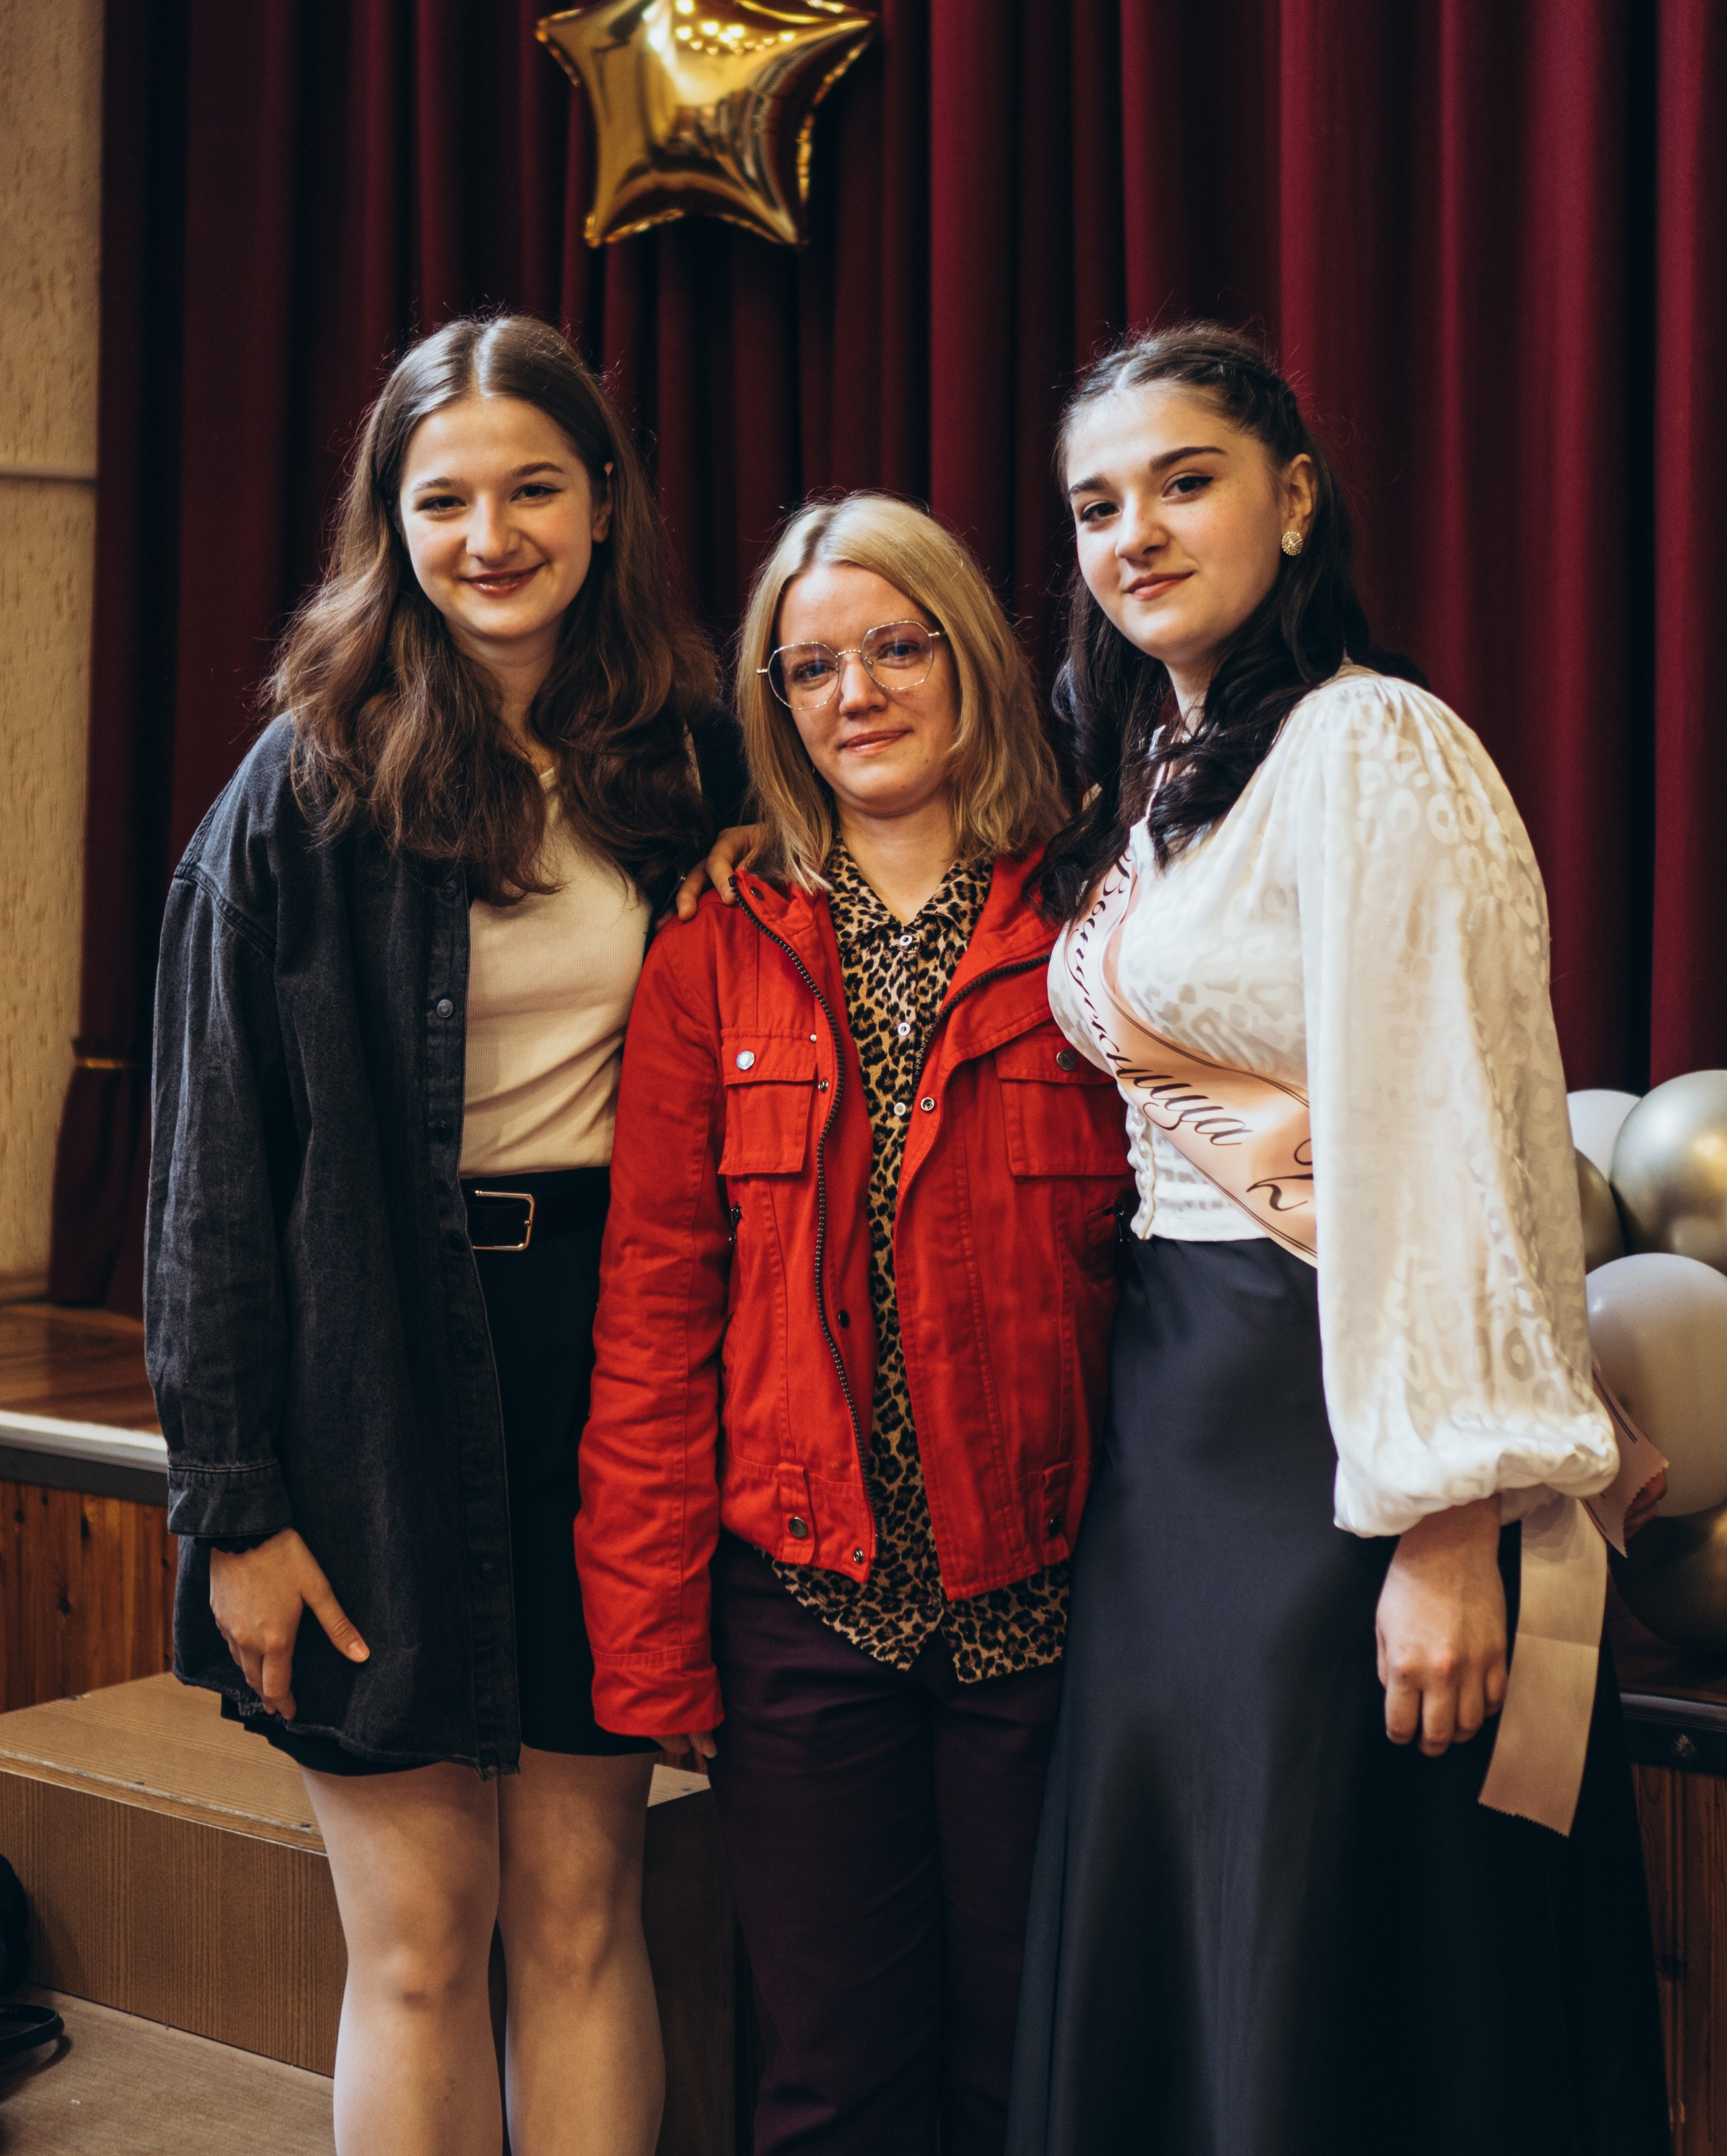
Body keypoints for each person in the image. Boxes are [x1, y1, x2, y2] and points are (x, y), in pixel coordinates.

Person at [1005, 324, 1671, 2156]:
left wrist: (1447, 1526)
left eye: (1185, 480)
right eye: (1094, 504)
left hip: (1335, 1428)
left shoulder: (1373, 741)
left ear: (1295, 501)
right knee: (1211, 1908)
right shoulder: (1169, 769)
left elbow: (1453, 1124)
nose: (1134, 532)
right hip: (1178, 1425)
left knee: (1334, 1920)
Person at [145, 313, 747, 2156]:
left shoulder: (694, 768)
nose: (493, 535)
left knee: (581, 1913)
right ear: (388, 523)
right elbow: (211, 1173)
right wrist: (232, 1506)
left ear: (603, 505)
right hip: (367, 1371)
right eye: (446, 499)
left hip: (611, 1370)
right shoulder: (305, 782)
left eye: (533, 490)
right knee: (418, 1946)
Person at [575, 494, 1131, 2156]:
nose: (856, 693)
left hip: (1055, 1608)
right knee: (830, 2082)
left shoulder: (1101, 918)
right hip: (805, 1611)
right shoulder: (715, 947)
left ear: (971, 657)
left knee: (1033, 2068)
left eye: (897, 648)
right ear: (771, 701)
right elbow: (655, 1312)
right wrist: (651, 1627)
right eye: (810, 666)